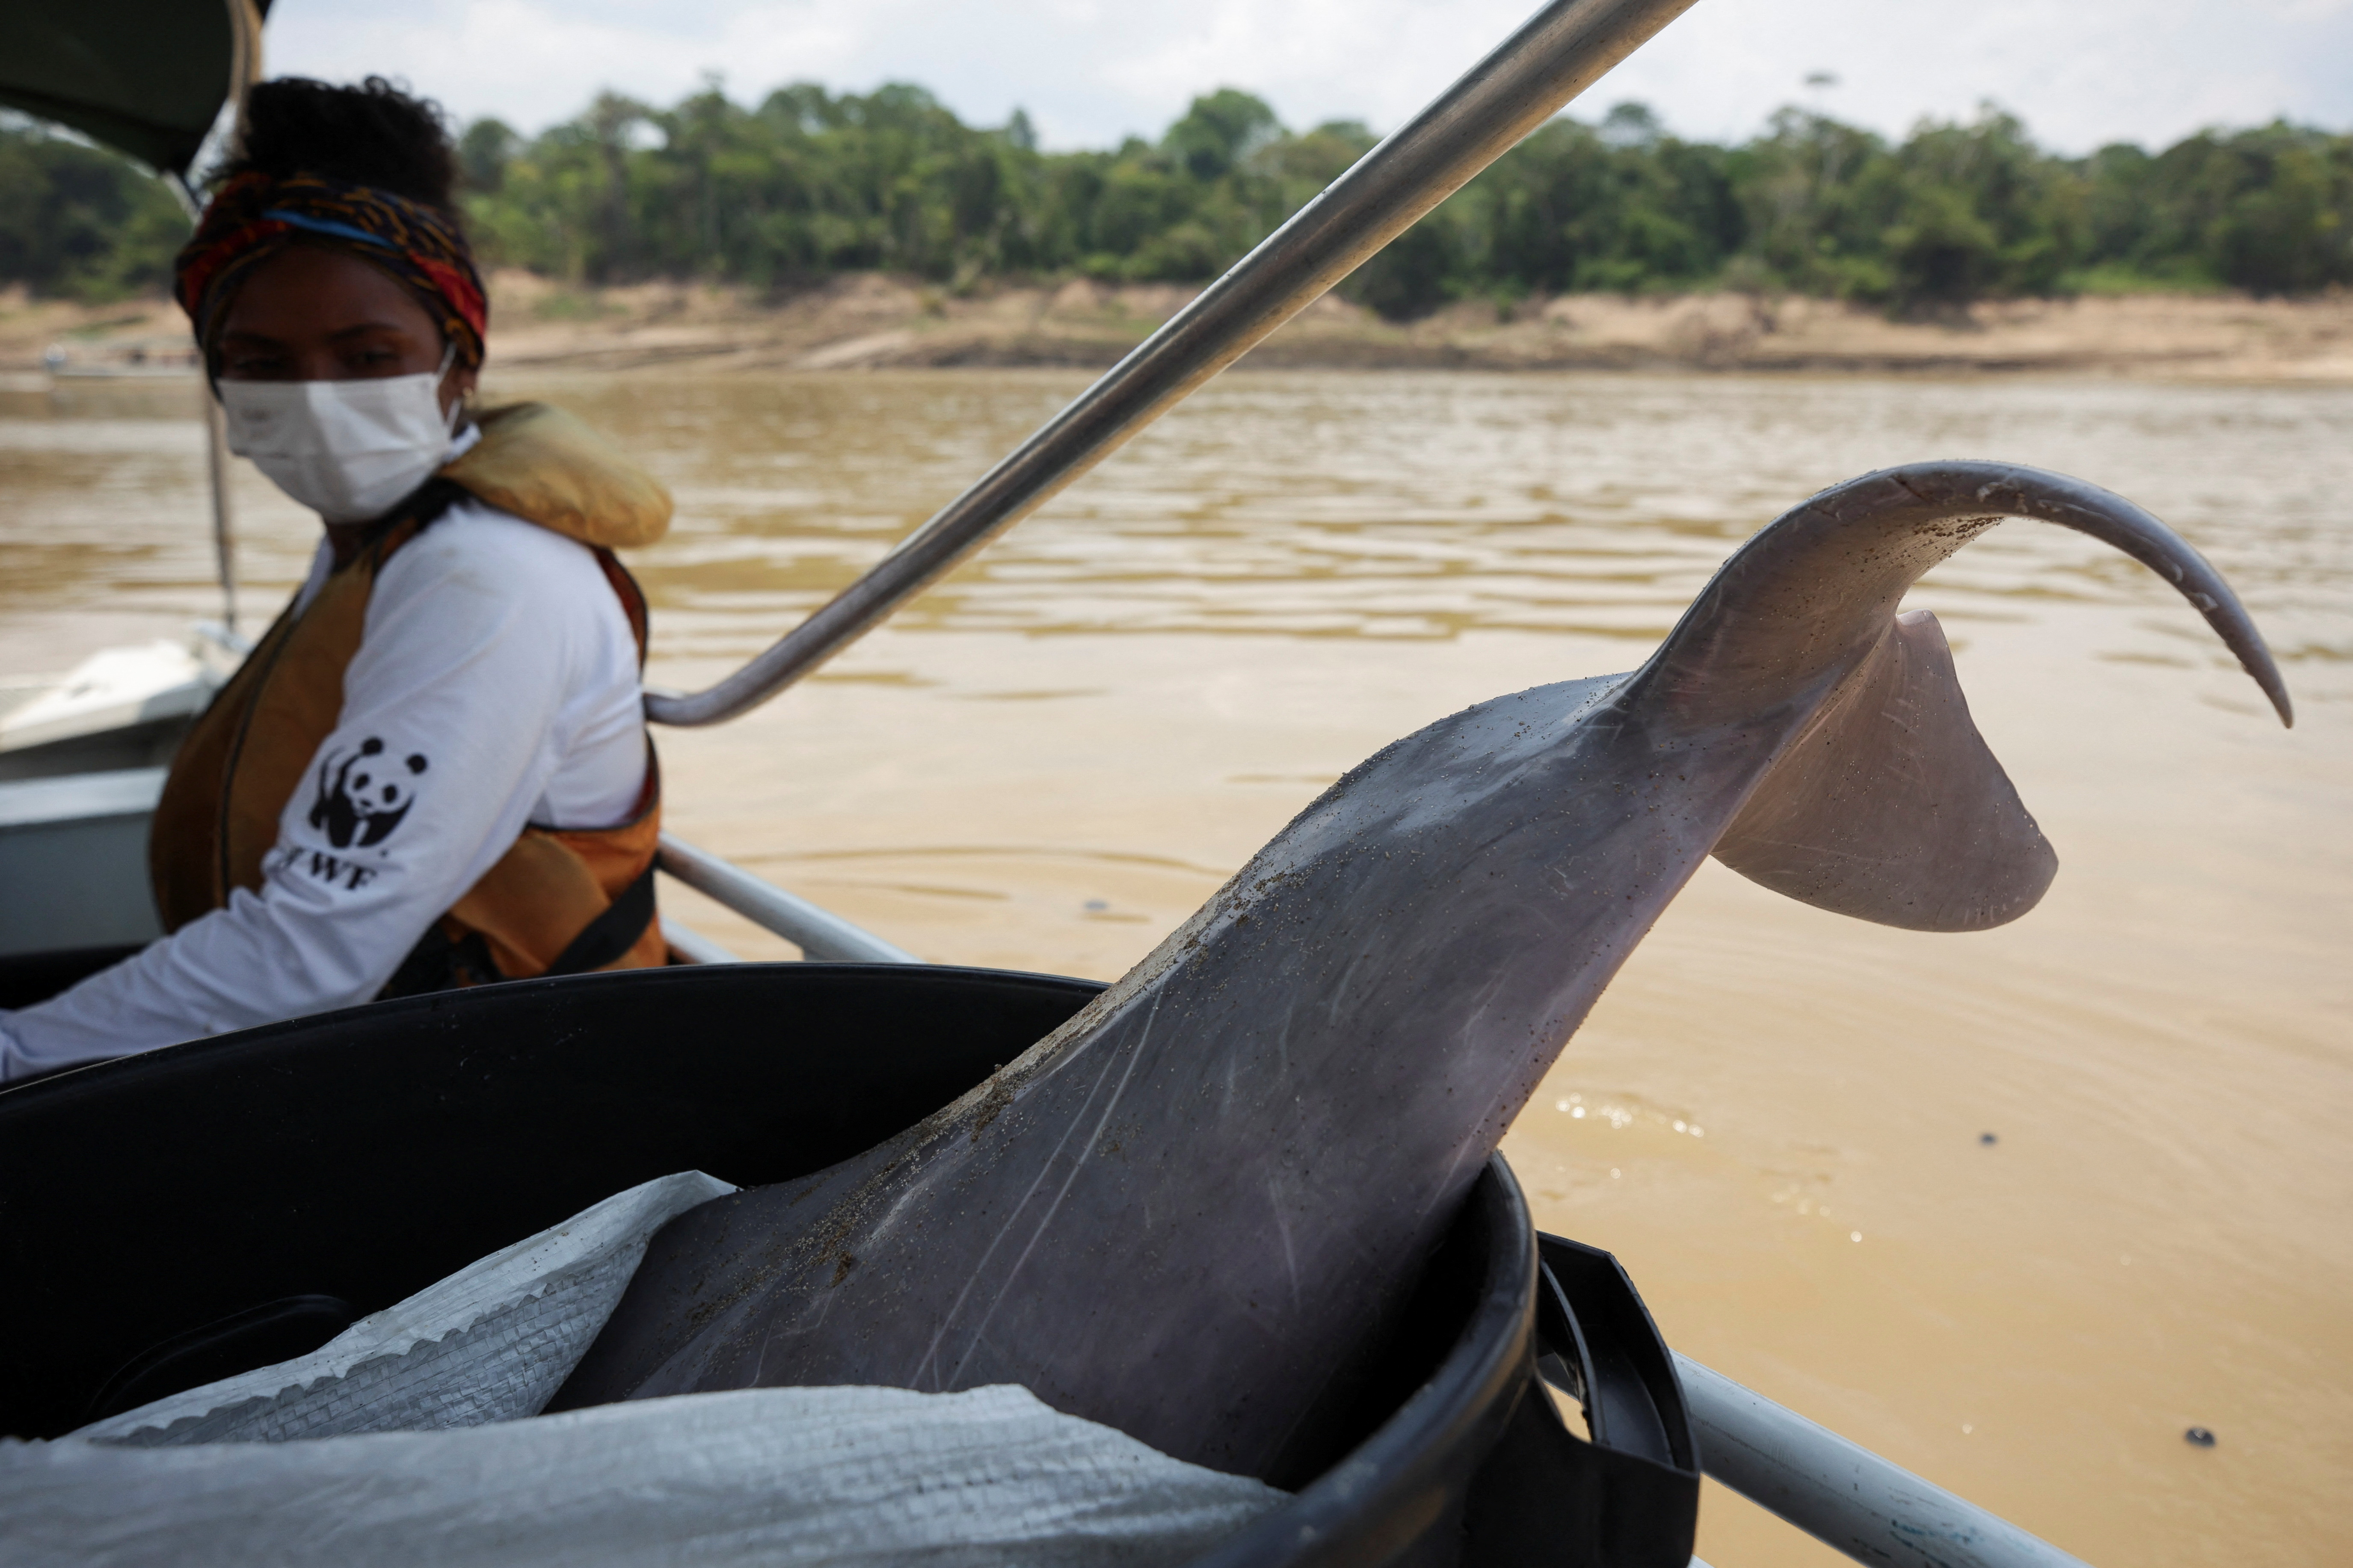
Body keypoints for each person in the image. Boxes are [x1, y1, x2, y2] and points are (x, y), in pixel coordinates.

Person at [0, 78, 672, 1082]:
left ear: (456, 364)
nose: (316, 398)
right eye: (262, 360)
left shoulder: (486, 576)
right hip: (387, 1030)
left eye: (366, 356)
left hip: (499, 1079)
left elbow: (309, 956)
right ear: (220, 382)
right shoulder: (380, 543)